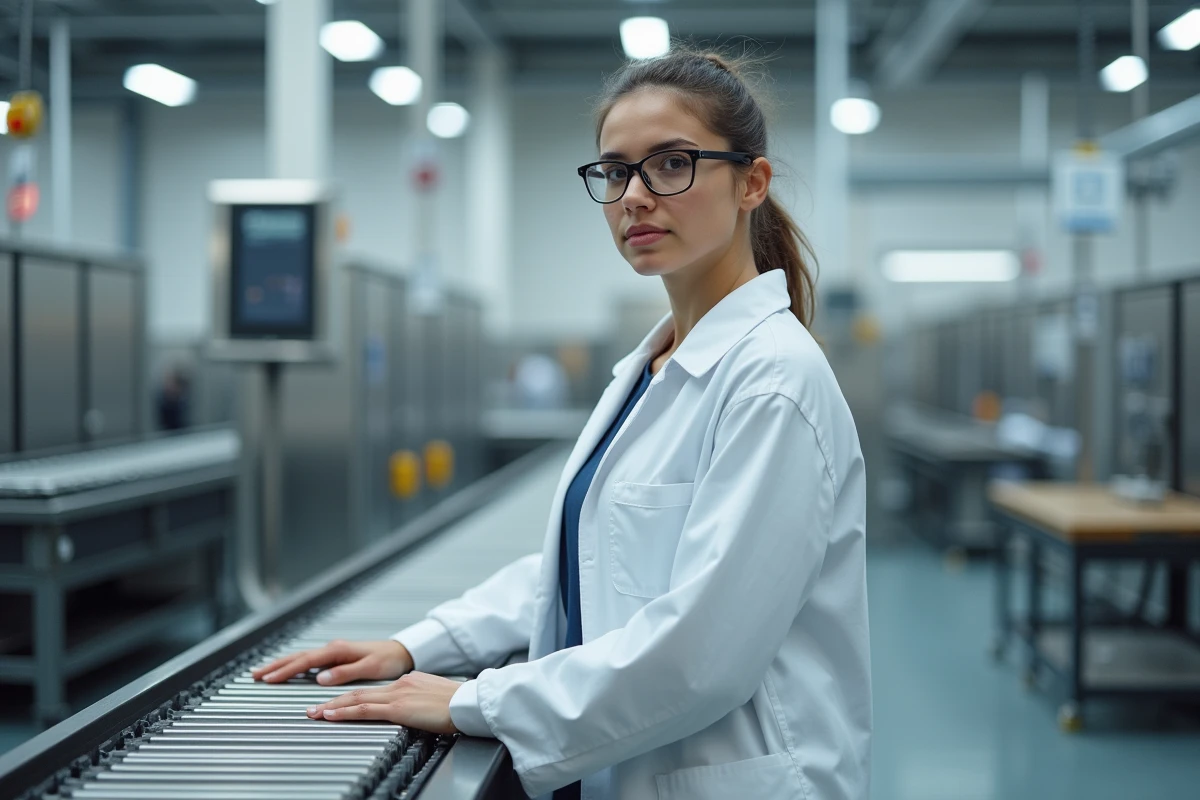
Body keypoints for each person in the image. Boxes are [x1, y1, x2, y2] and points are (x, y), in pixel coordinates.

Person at [254, 47, 871, 800]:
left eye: (670, 164)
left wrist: (473, 700)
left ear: (752, 182)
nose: (635, 197)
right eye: (614, 172)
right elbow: (586, 567)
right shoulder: (652, 368)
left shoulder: (773, 380)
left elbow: (704, 655)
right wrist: (416, 645)